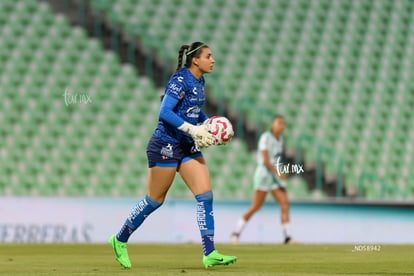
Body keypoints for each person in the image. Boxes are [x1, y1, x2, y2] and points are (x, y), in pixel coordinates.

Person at [109, 41, 237, 269]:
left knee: (205, 196)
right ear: (195, 60)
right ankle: (119, 240)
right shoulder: (180, 80)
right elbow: (164, 112)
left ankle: (210, 253)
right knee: (154, 201)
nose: (213, 60)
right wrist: (193, 129)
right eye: (209, 56)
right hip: (165, 145)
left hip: (187, 146)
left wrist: (207, 124)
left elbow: (194, 110)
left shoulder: (200, 80)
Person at [231, 115, 294, 244]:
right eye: (279, 123)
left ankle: (287, 237)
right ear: (273, 124)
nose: (281, 126)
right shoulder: (266, 137)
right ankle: (236, 232)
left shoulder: (280, 139)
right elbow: (265, 160)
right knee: (256, 206)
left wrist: (281, 171)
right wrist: (278, 173)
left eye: (283, 124)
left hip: (274, 177)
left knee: (285, 203)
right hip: (264, 175)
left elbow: (276, 159)